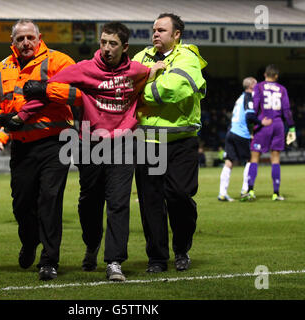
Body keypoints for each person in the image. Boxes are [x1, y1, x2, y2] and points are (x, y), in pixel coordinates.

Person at [17, 22, 165, 282]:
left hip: (123, 142)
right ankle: (91, 244)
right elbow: (49, 91)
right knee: (89, 202)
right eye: (103, 42)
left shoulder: (135, 70)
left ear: (125, 47)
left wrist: (156, 69)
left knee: (118, 202)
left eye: (113, 44)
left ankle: (114, 262)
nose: (106, 48)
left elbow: (148, 74)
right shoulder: (84, 69)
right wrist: (21, 116)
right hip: (89, 143)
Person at [0, 19, 78, 281]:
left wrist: (47, 90)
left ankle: (49, 261)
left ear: (39, 37)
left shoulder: (59, 61)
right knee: (21, 204)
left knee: (50, 200)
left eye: (30, 37)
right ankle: (30, 241)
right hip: (21, 146)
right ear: (12, 43)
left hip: (56, 143)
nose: (26, 43)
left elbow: (78, 91)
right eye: (20, 39)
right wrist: (0, 119)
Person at [132, 13, 207, 273]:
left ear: (176, 34)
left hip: (180, 141)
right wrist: (148, 78)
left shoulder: (188, 57)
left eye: (162, 30)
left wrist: (145, 84)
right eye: (154, 30)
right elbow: (124, 85)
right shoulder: (140, 58)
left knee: (179, 196)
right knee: (150, 202)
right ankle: (157, 258)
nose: (155, 34)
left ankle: (182, 247)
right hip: (147, 142)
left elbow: (174, 89)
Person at [245, 64, 296, 201]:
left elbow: (255, 107)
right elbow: (287, 110)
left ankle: (250, 191)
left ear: (265, 75)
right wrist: (291, 127)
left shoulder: (259, 86)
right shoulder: (282, 89)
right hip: (278, 125)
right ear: (276, 76)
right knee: (275, 159)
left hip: (263, 123)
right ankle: (276, 193)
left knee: (254, 157)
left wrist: (252, 125)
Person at [218, 77, 272, 202]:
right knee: (250, 160)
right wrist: (261, 123)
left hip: (231, 131)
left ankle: (222, 193)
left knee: (229, 162)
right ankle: (245, 191)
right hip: (240, 133)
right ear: (251, 86)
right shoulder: (249, 97)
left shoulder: (240, 98)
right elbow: (249, 116)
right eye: (256, 84)